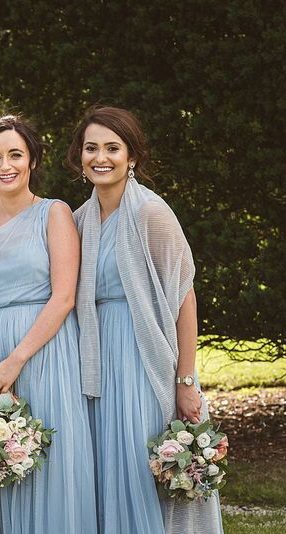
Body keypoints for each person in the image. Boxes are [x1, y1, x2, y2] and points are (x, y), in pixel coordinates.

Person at [69, 106, 224, 533]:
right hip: (97, 359)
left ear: (132, 156)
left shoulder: (151, 213)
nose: (101, 157)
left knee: (141, 467)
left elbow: (184, 298)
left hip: (142, 357)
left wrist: (185, 381)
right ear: (80, 157)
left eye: (112, 148)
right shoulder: (79, 220)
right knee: (107, 469)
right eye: (91, 148)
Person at [0, 115, 97, 534]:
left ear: (32, 159)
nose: (6, 165)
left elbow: (64, 296)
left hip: (47, 350)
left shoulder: (55, 213)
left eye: (15, 154)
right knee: (4, 460)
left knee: (53, 462)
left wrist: (16, 360)